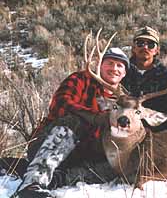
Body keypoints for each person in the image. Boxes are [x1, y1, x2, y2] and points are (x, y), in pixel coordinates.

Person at [11, 47, 130, 198]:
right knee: (74, 120)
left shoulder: (125, 102)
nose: (114, 68)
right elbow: (60, 104)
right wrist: (94, 117)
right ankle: (32, 185)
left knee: (120, 161)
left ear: (124, 73)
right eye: (110, 63)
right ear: (100, 65)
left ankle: (57, 179)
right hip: (50, 144)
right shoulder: (81, 79)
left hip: (84, 155)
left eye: (120, 65)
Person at [122, 26, 167, 114]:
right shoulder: (120, 71)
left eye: (151, 44)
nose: (145, 47)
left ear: (157, 50)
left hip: (155, 124)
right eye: (140, 43)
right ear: (133, 48)